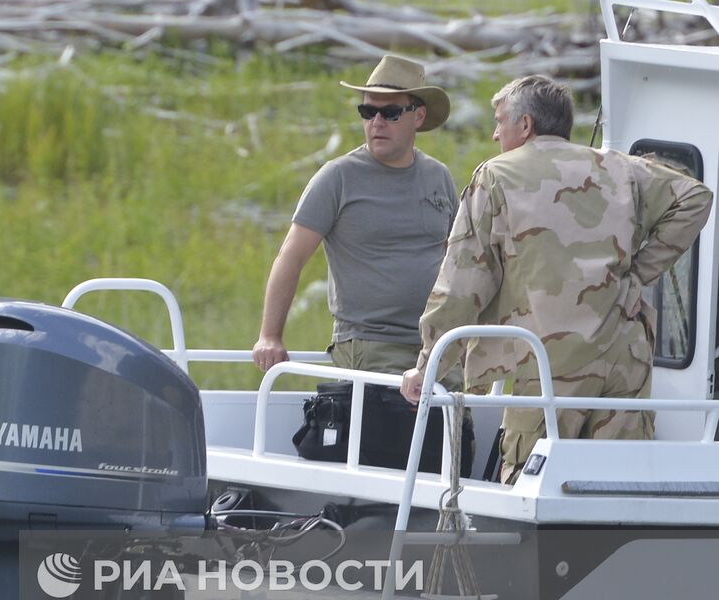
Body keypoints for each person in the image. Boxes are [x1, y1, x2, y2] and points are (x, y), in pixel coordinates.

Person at [400, 74, 713, 484]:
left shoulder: (496, 176)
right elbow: (694, 198)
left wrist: (428, 366)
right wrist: (637, 276)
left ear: (525, 125)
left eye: (500, 121)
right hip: (624, 359)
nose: (495, 134)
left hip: (550, 361)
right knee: (619, 486)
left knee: (530, 484)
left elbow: (461, 283)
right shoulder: (621, 167)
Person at [252, 54, 458, 377]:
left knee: (459, 421)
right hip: (369, 344)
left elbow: (458, 259)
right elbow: (290, 257)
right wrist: (270, 336)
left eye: (390, 113)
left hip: (437, 345)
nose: (376, 122)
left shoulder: (439, 177)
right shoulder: (338, 177)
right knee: (402, 419)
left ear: (418, 117)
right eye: (367, 111)